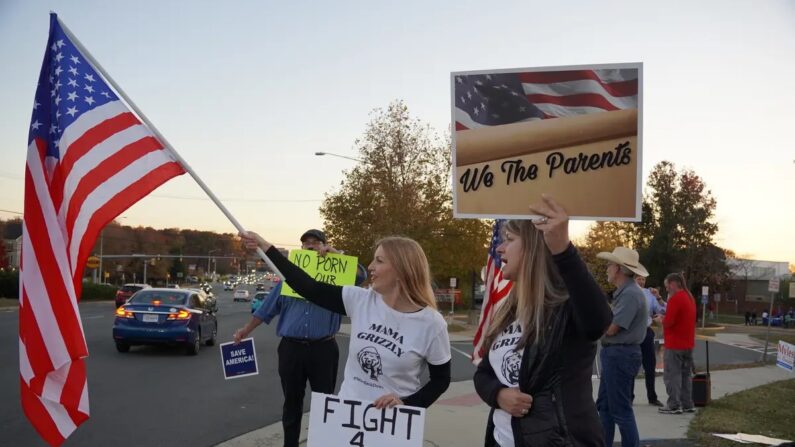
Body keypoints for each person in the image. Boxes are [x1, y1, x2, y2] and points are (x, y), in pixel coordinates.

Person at [237, 230, 452, 414]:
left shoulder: (432, 324)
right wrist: (266, 247)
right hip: (346, 418)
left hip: (392, 427)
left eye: (379, 260)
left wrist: (407, 404)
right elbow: (308, 287)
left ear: (402, 269)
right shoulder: (359, 300)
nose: (370, 267)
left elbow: (440, 380)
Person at [473, 195, 612, 447]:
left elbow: (597, 322)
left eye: (510, 240)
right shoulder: (508, 311)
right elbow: (484, 373)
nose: (499, 248)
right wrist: (498, 394)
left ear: (534, 247)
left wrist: (563, 250)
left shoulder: (566, 306)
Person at [232, 229, 344, 447]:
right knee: (291, 403)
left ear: (324, 246)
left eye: (316, 242)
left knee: (325, 403)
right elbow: (266, 310)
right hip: (291, 349)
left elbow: (362, 281)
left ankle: (322, 443)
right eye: (306, 243)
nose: (310, 246)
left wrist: (339, 259)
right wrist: (246, 330)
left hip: (324, 349)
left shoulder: (338, 279)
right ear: (301, 248)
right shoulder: (287, 281)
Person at [595, 246, 649, 447]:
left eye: (609, 265)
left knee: (620, 410)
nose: (607, 268)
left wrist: (589, 327)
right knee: (606, 407)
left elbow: (611, 329)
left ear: (618, 268)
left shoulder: (630, 295)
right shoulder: (625, 292)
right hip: (616, 355)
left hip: (620, 355)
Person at [655, 272, 697, 414]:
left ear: (673, 284)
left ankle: (673, 404)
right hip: (688, 343)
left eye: (667, 287)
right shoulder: (689, 297)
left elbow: (669, 322)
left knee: (672, 375)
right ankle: (687, 403)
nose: (667, 289)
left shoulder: (675, 299)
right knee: (685, 375)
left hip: (675, 343)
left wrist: (661, 319)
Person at [635, 275, 666, 407]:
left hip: (646, 331)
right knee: (632, 365)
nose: (641, 282)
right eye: (638, 279)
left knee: (650, 365)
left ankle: (652, 397)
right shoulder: (629, 292)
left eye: (643, 279)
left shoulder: (650, 294)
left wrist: (658, 297)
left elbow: (663, 310)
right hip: (633, 333)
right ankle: (629, 397)